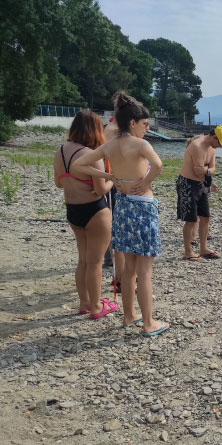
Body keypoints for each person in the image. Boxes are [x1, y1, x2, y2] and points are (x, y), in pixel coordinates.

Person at [72, 91, 168, 336]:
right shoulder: (141, 144)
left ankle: (129, 316)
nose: (147, 129)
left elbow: (78, 165)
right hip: (143, 206)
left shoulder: (110, 145)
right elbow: (158, 166)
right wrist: (146, 182)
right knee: (145, 270)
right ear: (133, 123)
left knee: (128, 269)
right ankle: (149, 323)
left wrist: (108, 177)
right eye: (145, 124)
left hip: (123, 205)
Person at [53, 110, 118, 319]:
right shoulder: (90, 155)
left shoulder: (60, 151)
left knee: (83, 260)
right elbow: (100, 189)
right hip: (95, 211)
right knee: (95, 262)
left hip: (72, 210)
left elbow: (58, 182)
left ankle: (85, 303)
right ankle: (97, 307)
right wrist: (113, 179)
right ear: (95, 129)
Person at [176, 126, 222, 261]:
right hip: (187, 183)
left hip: (201, 184)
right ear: (214, 137)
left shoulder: (212, 148)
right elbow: (198, 170)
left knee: (205, 217)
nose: (220, 147)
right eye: (220, 143)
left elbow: (211, 169)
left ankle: (203, 248)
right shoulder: (197, 145)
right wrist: (208, 170)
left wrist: (207, 170)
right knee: (191, 220)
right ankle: (188, 251)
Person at [103, 115, 124, 289]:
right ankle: (119, 275)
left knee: (114, 225)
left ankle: (114, 265)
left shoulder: (108, 129)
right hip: (115, 181)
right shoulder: (114, 130)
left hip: (112, 179)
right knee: (117, 227)